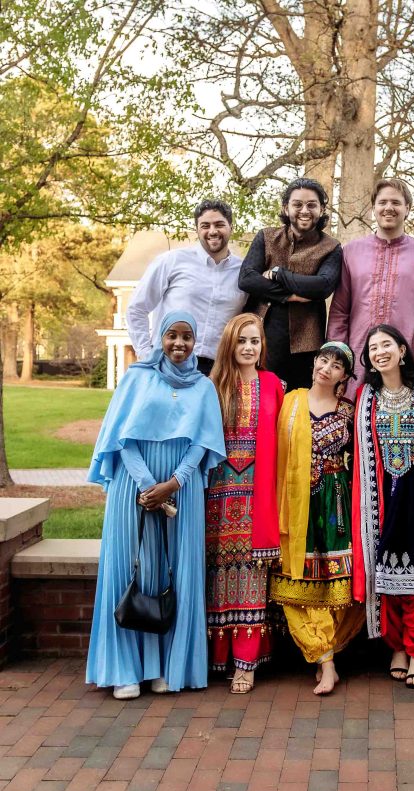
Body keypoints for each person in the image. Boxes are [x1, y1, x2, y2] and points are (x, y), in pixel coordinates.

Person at [86, 311, 226, 699]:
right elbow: (122, 438)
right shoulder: (136, 378)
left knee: (173, 574)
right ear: (160, 338)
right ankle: (125, 671)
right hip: (135, 485)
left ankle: (165, 667)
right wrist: (149, 486)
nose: (179, 344)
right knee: (132, 571)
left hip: (182, 488)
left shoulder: (203, 386)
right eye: (171, 335)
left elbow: (203, 442)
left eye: (187, 337)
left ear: (195, 341)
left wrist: (174, 483)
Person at [352, 324, 414, 688]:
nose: (380, 351)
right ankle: (398, 647)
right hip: (381, 496)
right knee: (387, 571)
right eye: (373, 347)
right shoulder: (366, 398)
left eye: (386, 344)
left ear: (402, 350)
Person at [269, 341, 364, 695]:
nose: (326, 367)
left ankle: (327, 651)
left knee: (338, 588)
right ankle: (325, 660)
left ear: (345, 376)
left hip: (335, 504)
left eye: (336, 365)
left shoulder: (348, 411)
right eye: (323, 360)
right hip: (295, 505)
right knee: (293, 586)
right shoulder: (289, 401)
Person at [205, 313, 285, 694]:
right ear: (230, 345)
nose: (249, 347)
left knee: (252, 573)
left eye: (255, 341)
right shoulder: (213, 386)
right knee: (216, 575)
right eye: (242, 341)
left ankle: (246, 662)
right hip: (216, 495)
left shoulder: (274, 386)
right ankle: (214, 657)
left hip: (258, 492)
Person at [326, 178, 414, 396]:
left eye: (396, 203)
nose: (389, 208)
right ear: (374, 208)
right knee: (356, 418)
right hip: (358, 359)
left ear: (407, 208)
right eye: (382, 202)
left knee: (404, 423)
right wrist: (337, 358)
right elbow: (340, 310)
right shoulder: (351, 252)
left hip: (407, 358)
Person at [238, 178, 342, 390]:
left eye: (312, 205)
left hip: (305, 342)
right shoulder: (267, 237)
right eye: (297, 204)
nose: (305, 210)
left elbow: (322, 286)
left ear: (322, 209)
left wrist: (278, 274)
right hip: (261, 334)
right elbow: (247, 278)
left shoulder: (331, 247)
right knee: (258, 400)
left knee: (296, 406)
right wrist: (289, 296)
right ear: (286, 208)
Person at [126, 200, 247, 376]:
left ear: (231, 227)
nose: (212, 231)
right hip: (170, 364)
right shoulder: (172, 261)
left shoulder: (243, 272)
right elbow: (136, 308)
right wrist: (147, 355)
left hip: (219, 372)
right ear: (197, 229)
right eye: (205, 225)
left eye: (219, 224)